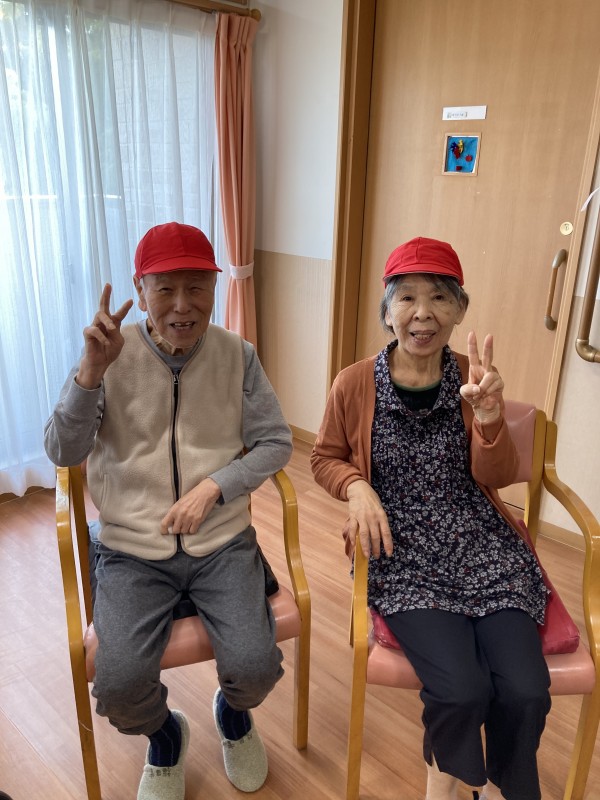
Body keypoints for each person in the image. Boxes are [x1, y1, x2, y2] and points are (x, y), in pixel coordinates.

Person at [44, 221, 293, 800]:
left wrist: (216, 487)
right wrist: (89, 375)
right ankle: (165, 736)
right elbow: (62, 450)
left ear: (214, 288)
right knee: (120, 686)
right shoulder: (109, 356)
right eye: (165, 289)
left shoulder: (237, 355)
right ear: (140, 290)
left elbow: (276, 442)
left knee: (256, 668)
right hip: (132, 550)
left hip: (222, 543)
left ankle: (233, 715)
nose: (183, 305)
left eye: (197, 287)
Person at [311, 237, 550, 800]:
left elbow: (497, 475)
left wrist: (488, 419)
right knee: (461, 689)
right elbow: (324, 457)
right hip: (400, 549)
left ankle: (502, 783)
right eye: (408, 298)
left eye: (440, 298)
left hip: (481, 542)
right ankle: (447, 784)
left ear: (459, 310)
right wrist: (357, 487)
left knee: (526, 689)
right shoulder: (354, 383)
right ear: (387, 311)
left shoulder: (471, 378)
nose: (423, 313)